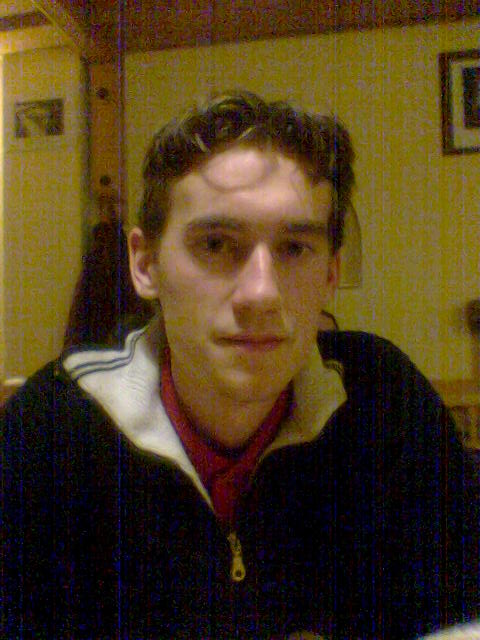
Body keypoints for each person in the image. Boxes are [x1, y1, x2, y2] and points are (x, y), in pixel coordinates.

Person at [1, 90, 479, 640]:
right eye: (215, 244)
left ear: (330, 273)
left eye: (294, 249)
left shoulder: (386, 401)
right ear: (145, 264)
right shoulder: (49, 432)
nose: (261, 294)